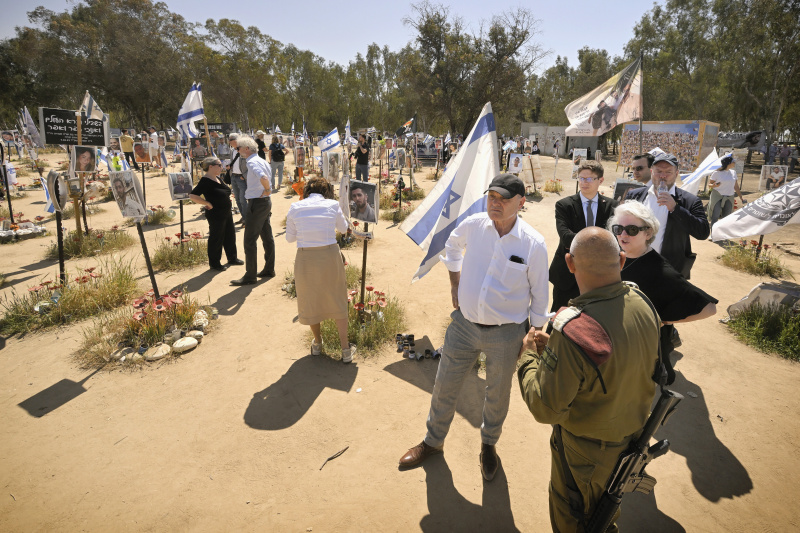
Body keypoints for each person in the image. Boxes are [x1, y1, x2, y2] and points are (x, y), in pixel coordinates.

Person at [398, 174, 549, 481]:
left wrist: (533, 334)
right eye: (492, 196)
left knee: (497, 393)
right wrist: (454, 283)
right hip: (464, 326)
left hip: (507, 333)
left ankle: (489, 445)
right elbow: (452, 246)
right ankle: (432, 441)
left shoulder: (533, 243)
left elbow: (540, 295)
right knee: (444, 384)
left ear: (521, 202)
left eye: (503, 199)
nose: (495, 203)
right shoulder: (474, 225)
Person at [518, 227, 661, 533]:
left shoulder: (575, 328)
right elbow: (618, 361)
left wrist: (528, 357)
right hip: (629, 441)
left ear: (570, 263)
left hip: (585, 455)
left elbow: (546, 409)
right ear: (621, 260)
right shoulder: (643, 303)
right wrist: (559, 350)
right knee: (604, 518)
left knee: (577, 521)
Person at [609, 201, 717, 384]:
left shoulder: (661, 271)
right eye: (618, 229)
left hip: (642, 352)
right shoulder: (617, 256)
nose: (623, 235)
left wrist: (662, 320)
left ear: (648, 233)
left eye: (632, 230)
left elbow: (709, 308)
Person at [285, 177, 355, 363]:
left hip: (305, 257)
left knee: (311, 299)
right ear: (327, 192)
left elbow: (290, 238)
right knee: (338, 297)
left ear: (307, 191)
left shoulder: (295, 207)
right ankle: (345, 349)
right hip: (329, 254)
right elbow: (343, 229)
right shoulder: (332, 205)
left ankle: (317, 343)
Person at [625, 152, 710, 280]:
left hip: (669, 271)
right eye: (658, 171)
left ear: (676, 174)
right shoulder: (635, 195)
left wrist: (675, 209)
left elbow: (702, 232)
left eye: (668, 172)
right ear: (652, 171)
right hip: (635, 265)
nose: (663, 176)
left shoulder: (689, 201)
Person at [549, 160, 617, 316]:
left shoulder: (612, 206)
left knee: (594, 320)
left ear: (600, 180)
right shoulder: (564, 205)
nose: (584, 182)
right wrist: (599, 240)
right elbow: (566, 237)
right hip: (567, 274)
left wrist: (582, 240)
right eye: (581, 178)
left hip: (600, 275)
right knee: (560, 317)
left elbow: (613, 239)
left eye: (589, 179)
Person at [231, 135, 275, 286]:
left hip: (257, 202)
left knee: (249, 240)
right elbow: (266, 176)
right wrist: (267, 191)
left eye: (239, 148)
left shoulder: (251, 161)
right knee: (267, 237)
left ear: (246, 148)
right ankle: (269, 269)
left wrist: (267, 189)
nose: (238, 150)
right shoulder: (261, 160)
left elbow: (263, 177)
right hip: (264, 202)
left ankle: (250, 276)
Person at [188, 157, 243, 272]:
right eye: (219, 165)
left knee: (230, 235)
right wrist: (206, 203)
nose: (221, 167)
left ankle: (232, 258)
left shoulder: (217, 178)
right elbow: (193, 196)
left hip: (226, 212)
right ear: (211, 166)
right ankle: (215, 263)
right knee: (216, 238)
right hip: (216, 214)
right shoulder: (205, 181)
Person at [707, 155, 745, 227]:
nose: (734, 163)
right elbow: (709, 184)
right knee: (715, 216)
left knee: (726, 217)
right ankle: (713, 232)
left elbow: (736, 186)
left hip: (729, 196)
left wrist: (741, 197)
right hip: (717, 196)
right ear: (728, 163)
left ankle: (723, 233)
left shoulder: (733, 172)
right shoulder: (716, 173)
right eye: (733, 162)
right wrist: (714, 185)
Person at [225, 133, 247, 225]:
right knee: (237, 199)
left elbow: (248, 164)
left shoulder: (244, 149)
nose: (230, 142)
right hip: (233, 176)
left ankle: (247, 219)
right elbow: (233, 161)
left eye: (231, 140)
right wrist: (229, 166)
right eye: (229, 140)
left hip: (241, 177)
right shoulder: (232, 151)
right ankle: (244, 217)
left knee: (242, 199)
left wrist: (244, 176)